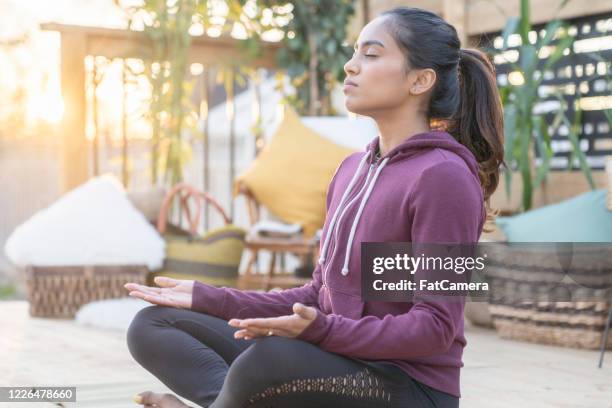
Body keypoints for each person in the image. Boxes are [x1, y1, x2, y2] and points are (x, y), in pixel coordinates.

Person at [124, 6, 504, 408]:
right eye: (354, 53)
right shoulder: (351, 170)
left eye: (370, 55)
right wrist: (208, 298)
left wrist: (320, 332)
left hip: (405, 387)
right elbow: (316, 294)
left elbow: (436, 327)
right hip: (336, 361)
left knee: (272, 358)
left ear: (420, 80)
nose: (350, 66)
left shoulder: (443, 176)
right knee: (154, 324)